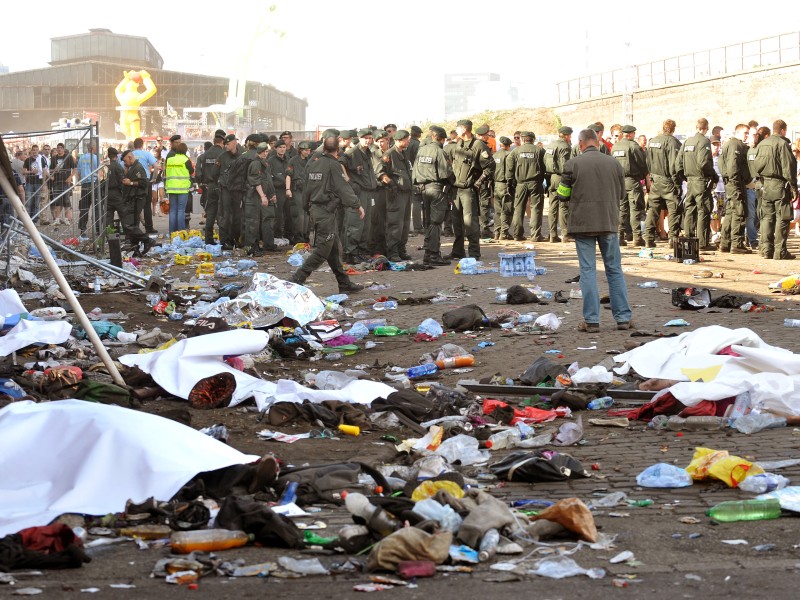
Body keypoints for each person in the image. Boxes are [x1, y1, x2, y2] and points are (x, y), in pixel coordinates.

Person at [558, 128, 632, 332]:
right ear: (597, 142)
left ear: (581, 144)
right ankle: (623, 318)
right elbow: (622, 194)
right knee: (614, 269)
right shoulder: (614, 163)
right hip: (608, 222)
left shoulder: (572, 164)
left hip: (583, 225)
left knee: (588, 271)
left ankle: (592, 321)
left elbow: (562, 195)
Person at [290, 129, 365, 293]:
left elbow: (306, 189)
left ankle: (344, 282)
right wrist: (357, 205)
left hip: (317, 210)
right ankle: (297, 279)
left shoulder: (312, 163)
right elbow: (343, 188)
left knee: (333, 250)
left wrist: (307, 208)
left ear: (323, 148)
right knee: (323, 250)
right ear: (337, 151)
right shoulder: (333, 165)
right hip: (325, 212)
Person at [446, 119, 493, 259]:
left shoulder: (478, 145)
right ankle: (458, 251)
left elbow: (490, 167)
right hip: (456, 189)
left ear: (464, 129)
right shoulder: (458, 143)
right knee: (457, 222)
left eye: (458, 128)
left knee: (470, 223)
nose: (456, 131)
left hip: (468, 190)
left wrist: (478, 182)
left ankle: (474, 253)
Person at [754, 119, 797, 260]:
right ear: (783, 130)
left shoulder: (762, 144)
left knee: (766, 218)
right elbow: (788, 167)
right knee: (782, 218)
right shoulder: (783, 144)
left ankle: (766, 250)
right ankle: (780, 251)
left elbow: (756, 166)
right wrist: (793, 187)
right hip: (779, 185)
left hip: (765, 185)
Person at [412, 125, 453, 265]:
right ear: (441, 139)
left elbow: (415, 171)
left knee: (429, 222)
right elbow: (444, 174)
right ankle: (434, 255)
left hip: (423, 189)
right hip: (436, 189)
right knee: (436, 223)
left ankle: (428, 253)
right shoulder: (439, 151)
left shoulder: (422, 150)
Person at [677, 118, 717, 250]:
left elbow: (678, 164)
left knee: (689, 210)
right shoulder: (704, 141)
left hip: (690, 181)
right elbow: (703, 163)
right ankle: (702, 243)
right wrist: (713, 175)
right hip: (701, 181)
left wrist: (685, 177)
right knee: (703, 210)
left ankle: (688, 240)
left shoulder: (687, 141)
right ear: (706, 128)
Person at [644, 119, 682, 248]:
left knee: (653, 210)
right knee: (674, 210)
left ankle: (648, 238)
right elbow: (674, 165)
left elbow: (647, 162)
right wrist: (677, 184)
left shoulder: (653, 141)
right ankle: (673, 239)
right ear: (673, 129)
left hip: (655, 180)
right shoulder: (673, 142)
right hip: (668, 180)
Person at [343, 129, 378, 262]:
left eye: (370, 138)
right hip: (359, 192)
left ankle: (361, 251)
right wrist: (349, 181)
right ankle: (350, 253)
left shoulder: (367, 152)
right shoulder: (352, 152)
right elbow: (340, 164)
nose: (368, 140)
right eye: (365, 138)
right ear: (359, 138)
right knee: (355, 223)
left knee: (366, 224)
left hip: (368, 192)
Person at [610, 125, 647, 247]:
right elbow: (642, 164)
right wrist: (643, 176)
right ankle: (637, 237)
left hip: (618, 182)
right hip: (632, 181)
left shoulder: (615, 147)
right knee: (635, 208)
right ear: (631, 134)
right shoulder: (633, 146)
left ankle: (619, 237)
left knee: (622, 209)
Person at [719, 124, 752, 254]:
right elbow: (733, 166)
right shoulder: (735, 145)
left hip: (730, 183)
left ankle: (725, 243)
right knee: (739, 212)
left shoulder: (729, 144)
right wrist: (736, 181)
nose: (747, 135)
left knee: (730, 213)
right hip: (735, 183)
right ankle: (737, 244)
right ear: (737, 132)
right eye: (745, 133)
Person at [382, 130, 414, 261]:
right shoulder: (389, 154)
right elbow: (381, 173)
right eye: (407, 139)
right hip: (396, 195)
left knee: (405, 224)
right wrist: (391, 184)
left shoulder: (403, 153)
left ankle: (401, 250)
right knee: (395, 224)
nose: (408, 141)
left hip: (406, 194)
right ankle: (393, 252)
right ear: (399, 140)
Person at [508, 131, 546, 242]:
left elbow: (510, 168)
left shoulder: (515, 151)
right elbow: (545, 166)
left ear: (523, 139)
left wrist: (510, 182)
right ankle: (535, 235)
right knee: (536, 209)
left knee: (518, 209)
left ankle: (517, 235)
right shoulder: (540, 150)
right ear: (533, 139)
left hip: (520, 184)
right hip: (536, 183)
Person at [242, 142, 277, 256]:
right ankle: (250, 248)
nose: (265, 154)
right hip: (253, 198)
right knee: (252, 223)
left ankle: (255, 246)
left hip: (259, 197)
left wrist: (271, 194)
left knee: (256, 223)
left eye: (266, 151)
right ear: (258, 152)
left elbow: (268, 181)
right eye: (262, 152)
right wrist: (263, 196)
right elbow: (255, 181)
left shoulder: (264, 163)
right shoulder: (256, 163)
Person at [120, 150, 154, 256]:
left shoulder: (138, 167)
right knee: (133, 224)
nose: (125, 163)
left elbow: (144, 183)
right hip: (133, 198)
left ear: (130, 157)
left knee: (129, 224)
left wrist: (130, 183)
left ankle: (147, 240)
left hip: (137, 198)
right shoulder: (133, 167)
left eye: (126, 160)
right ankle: (135, 248)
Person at [544, 126, 573, 242]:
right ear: (566, 135)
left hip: (551, 178)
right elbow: (565, 165)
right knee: (564, 206)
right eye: (570, 135)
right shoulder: (565, 146)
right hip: (562, 178)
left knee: (552, 206)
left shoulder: (551, 145)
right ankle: (565, 234)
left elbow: (545, 160)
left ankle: (552, 235)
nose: (570, 138)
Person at [199, 130, 227, 245]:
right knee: (221, 213)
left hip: (209, 186)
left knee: (210, 213)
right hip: (220, 186)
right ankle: (223, 239)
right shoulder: (223, 154)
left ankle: (208, 239)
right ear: (222, 142)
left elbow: (201, 171)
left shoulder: (205, 154)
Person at [164, 142, 194, 235]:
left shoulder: (169, 160)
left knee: (173, 210)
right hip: (182, 188)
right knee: (181, 210)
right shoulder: (186, 160)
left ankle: (172, 232)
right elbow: (192, 171)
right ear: (185, 150)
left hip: (171, 188)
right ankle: (180, 232)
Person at [287, 141, 312, 243]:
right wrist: (288, 189)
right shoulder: (293, 160)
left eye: (309, 150)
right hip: (297, 189)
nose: (308, 152)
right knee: (300, 215)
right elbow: (288, 175)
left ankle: (305, 236)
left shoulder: (309, 161)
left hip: (307, 189)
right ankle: (299, 237)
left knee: (306, 214)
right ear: (300, 150)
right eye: (306, 150)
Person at [132, 138, 158, 234]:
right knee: (147, 205)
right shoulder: (147, 154)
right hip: (146, 180)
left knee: (135, 204)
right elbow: (156, 166)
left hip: (134, 181)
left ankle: (135, 227)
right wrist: (154, 178)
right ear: (142, 145)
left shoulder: (131, 154)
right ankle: (149, 227)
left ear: (134, 145)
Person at [491, 135, 515, 240]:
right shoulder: (509, 155)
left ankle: (496, 232)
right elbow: (510, 170)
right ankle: (504, 233)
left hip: (496, 184)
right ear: (508, 145)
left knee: (497, 210)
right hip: (506, 185)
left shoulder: (495, 155)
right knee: (507, 209)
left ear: (500, 145)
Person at [49, 143, 76, 228]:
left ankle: (67, 219)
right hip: (57, 182)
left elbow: (75, 169)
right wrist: (54, 170)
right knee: (57, 201)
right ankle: (57, 219)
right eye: (58, 148)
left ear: (64, 149)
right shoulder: (53, 158)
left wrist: (70, 177)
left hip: (66, 182)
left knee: (66, 200)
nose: (59, 149)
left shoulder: (68, 157)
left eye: (61, 148)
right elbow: (50, 170)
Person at [77, 143, 99, 236]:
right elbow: (100, 171)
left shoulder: (81, 158)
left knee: (84, 208)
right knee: (97, 207)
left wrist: (80, 181)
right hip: (94, 183)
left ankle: (83, 229)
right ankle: (98, 229)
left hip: (85, 184)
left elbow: (78, 171)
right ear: (93, 148)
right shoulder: (95, 158)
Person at [22, 145, 47, 222]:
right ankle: (27, 218)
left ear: (38, 151)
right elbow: (23, 171)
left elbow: (44, 172)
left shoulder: (41, 160)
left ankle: (34, 219)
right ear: (31, 151)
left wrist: (43, 184)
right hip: (30, 183)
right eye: (34, 150)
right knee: (28, 202)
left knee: (36, 202)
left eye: (36, 150)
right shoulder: (27, 160)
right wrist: (31, 172)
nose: (35, 151)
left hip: (39, 183)